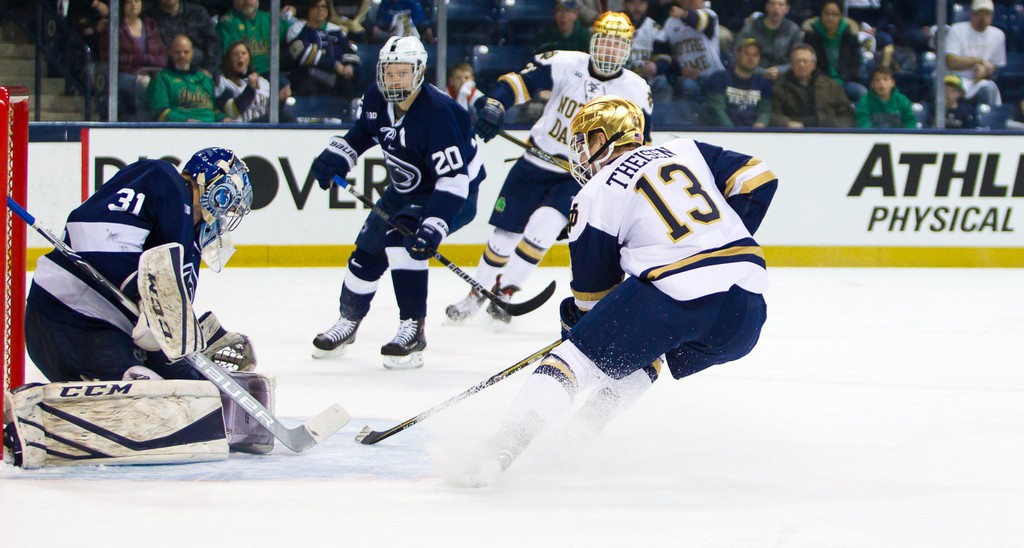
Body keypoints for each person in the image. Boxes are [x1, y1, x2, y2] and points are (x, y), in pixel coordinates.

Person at [456, 95, 776, 486]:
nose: (580, 152)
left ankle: (501, 449)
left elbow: (592, 303)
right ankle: (580, 436)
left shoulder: (594, 194)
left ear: (607, 138)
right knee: (649, 342)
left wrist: (578, 331)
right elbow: (758, 177)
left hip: (676, 294)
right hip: (747, 306)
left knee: (577, 357)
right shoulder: (683, 148)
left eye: (586, 140)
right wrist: (718, 238)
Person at [445, 12, 653, 325]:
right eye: (605, 42)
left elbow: (641, 143)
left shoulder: (636, 89)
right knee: (504, 235)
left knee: (542, 229)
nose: (610, 50)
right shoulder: (567, 63)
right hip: (535, 161)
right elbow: (519, 82)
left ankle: (504, 294)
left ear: (627, 49)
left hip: (579, 176)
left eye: (617, 44)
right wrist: (496, 105)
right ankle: (477, 292)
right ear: (593, 42)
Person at [308, 36, 485, 369]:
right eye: (390, 72)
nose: (395, 80)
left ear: (418, 72)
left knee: (404, 239)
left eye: (403, 73)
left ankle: (413, 329)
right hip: (405, 190)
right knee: (366, 253)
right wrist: (338, 156)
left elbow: (454, 181)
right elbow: (364, 132)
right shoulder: (376, 97)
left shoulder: (440, 113)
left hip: (453, 193)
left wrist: (434, 225)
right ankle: (348, 321)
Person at [24, 147, 253, 382]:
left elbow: (164, 314)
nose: (226, 215)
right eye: (228, 203)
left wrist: (198, 338)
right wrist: (146, 294)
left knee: (195, 387)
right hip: (70, 316)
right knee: (150, 395)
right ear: (215, 188)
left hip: (115, 330)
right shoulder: (162, 179)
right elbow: (92, 234)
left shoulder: (190, 243)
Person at [100, 0, 167, 122]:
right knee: (141, 86)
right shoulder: (113, 27)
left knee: (165, 84)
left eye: (136, 1)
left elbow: (162, 58)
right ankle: (144, 125)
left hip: (152, 73)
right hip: (123, 74)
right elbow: (109, 57)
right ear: (122, 6)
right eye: (129, 2)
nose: (133, 5)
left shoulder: (150, 25)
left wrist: (142, 60)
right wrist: (140, 66)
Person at [285, 0, 361, 99]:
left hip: (337, 76)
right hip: (306, 76)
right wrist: (335, 65)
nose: (320, 10)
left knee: (348, 86)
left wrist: (349, 66)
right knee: (308, 86)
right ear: (308, 9)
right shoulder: (297, 28)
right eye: (315, 6)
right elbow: (304, 54)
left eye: (323, 7)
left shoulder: (336, 30)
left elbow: (349, 50)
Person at [149, 34, 233, 122]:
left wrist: (224, 118)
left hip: (211, 128)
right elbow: (160, 113)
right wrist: (185, 121)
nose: (182, 55)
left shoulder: (205, 78)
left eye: (186, 52)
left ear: (192, 53)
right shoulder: (162, 78)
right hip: (182, 130)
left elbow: (214, 110)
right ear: (170, 53)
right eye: (177, 52)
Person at [770, 43, 854, 128]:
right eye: (797, 61)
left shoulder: (831, 86)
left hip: (828, 133)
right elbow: (773, 115)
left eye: (805, 61)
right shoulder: (780, 87)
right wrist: (787, 123)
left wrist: (836, 129)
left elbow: (846, 115)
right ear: (791, 65)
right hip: (795, 134)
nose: (801, 65)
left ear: (813, 64)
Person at [802, 0, 866, 103]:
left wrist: (842, 79)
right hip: (819, 82)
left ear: (841, 15)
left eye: (834, 14)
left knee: (862, 93)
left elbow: (856, 63)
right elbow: (809, 63)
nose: (830, 18)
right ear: (821, 14)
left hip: (844, 82)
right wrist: (826, 81)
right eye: (827, 13)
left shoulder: (850, 34)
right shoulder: (811, 35)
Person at [944, 0, 1005, 107]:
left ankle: (986, 121)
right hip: (955, 78)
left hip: (977, 82)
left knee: (988, 89)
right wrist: (978, 62)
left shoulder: (998, 35)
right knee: (948, 90)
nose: (982, 17)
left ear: (992, 16)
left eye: (986, 14)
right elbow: (951, 61)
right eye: (979, 13)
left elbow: (997, 65)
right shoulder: (957, 29)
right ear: (972, 14)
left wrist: (985, 70)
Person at [661, 0, 724, 99]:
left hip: (712, 76)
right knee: (687, 85)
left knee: (717, 83)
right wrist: (680, 70)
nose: (692, 1)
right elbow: (664, 55)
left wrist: (683, 14)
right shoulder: (670, 23)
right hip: (687, 79)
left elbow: (698, 21)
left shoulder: (710, 14)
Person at [703, 37, 773, 127]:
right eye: (746, 54)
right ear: (737, 55)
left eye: (755, 55)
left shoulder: (763, 82)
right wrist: (733, 132)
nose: (751, 58)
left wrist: (759, 127)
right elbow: (717, 110)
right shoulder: (719, 78)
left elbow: (765, 111)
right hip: (724, 133)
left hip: (753, 134)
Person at [146, 0, 222, 78]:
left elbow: (214, 43)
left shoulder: (198, 13)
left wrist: (209, 69)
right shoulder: (149, 17)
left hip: (200, 71)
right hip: (165, 74)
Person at [734, 0, 803, 82]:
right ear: (766, 7)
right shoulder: (751, 29)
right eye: (772, 4)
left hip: (784, 78)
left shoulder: (793, 30)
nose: (776, 8)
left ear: (787, 9)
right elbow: (737, 56)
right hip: (753, 75)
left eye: (781, 5)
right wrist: (762, 72)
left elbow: (797, 58)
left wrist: (780, 70)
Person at [622, 0, 673, 102]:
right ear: (624, 5)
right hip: (621, 81)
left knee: (663, 84)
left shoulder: (654, 28)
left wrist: (656, 66)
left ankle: (658, 118)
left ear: (647, 5)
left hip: (649, 81)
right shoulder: (613, 26)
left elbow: (665, 57)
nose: (637, 7)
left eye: (641, 3)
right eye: (633, 3)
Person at [215, 0, 274, 77]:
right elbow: (233, 59)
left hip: (268, 72)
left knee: (286, 85)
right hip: (242, 75)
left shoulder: (268, 18)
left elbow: (292, 32)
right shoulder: (228, 23)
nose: (247, 1)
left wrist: (293, 10)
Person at [216, 40, 272, 122]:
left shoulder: (263, 82)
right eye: (236, 54)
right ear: (229, 59)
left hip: (264, 128)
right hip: (241, 127)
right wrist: (250, 89)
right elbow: (231, 112)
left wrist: (281, 100)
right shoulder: (224, 82)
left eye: (243, 53)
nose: (240, 56)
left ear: (249, 58)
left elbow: (272, 111)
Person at [854, 65, 915, 129]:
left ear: (892, 83)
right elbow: (863, 123)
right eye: (877, 80)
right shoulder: (865, 101)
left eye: (885, 79)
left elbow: (910, 122)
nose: (882, 83)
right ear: (872, 84)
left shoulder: (903, 101)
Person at [370, 0, 435, 44]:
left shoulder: (413, 2)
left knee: (428, 31)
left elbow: (421, 21)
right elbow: (379, 25)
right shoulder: (386, 2)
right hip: (391, 38)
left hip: (412, 35)